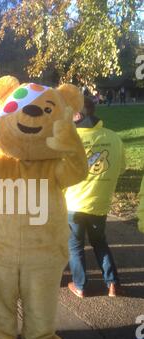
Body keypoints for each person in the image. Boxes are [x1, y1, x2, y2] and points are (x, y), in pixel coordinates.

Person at [66, 97, 126, 298]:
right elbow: (122, 167)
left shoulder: (70, 140)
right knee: (100, 242)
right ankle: (113, 284)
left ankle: (80, 286)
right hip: (100, 202)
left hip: (73, 203)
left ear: (77, 115)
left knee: (75, 246)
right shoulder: (114, 137)